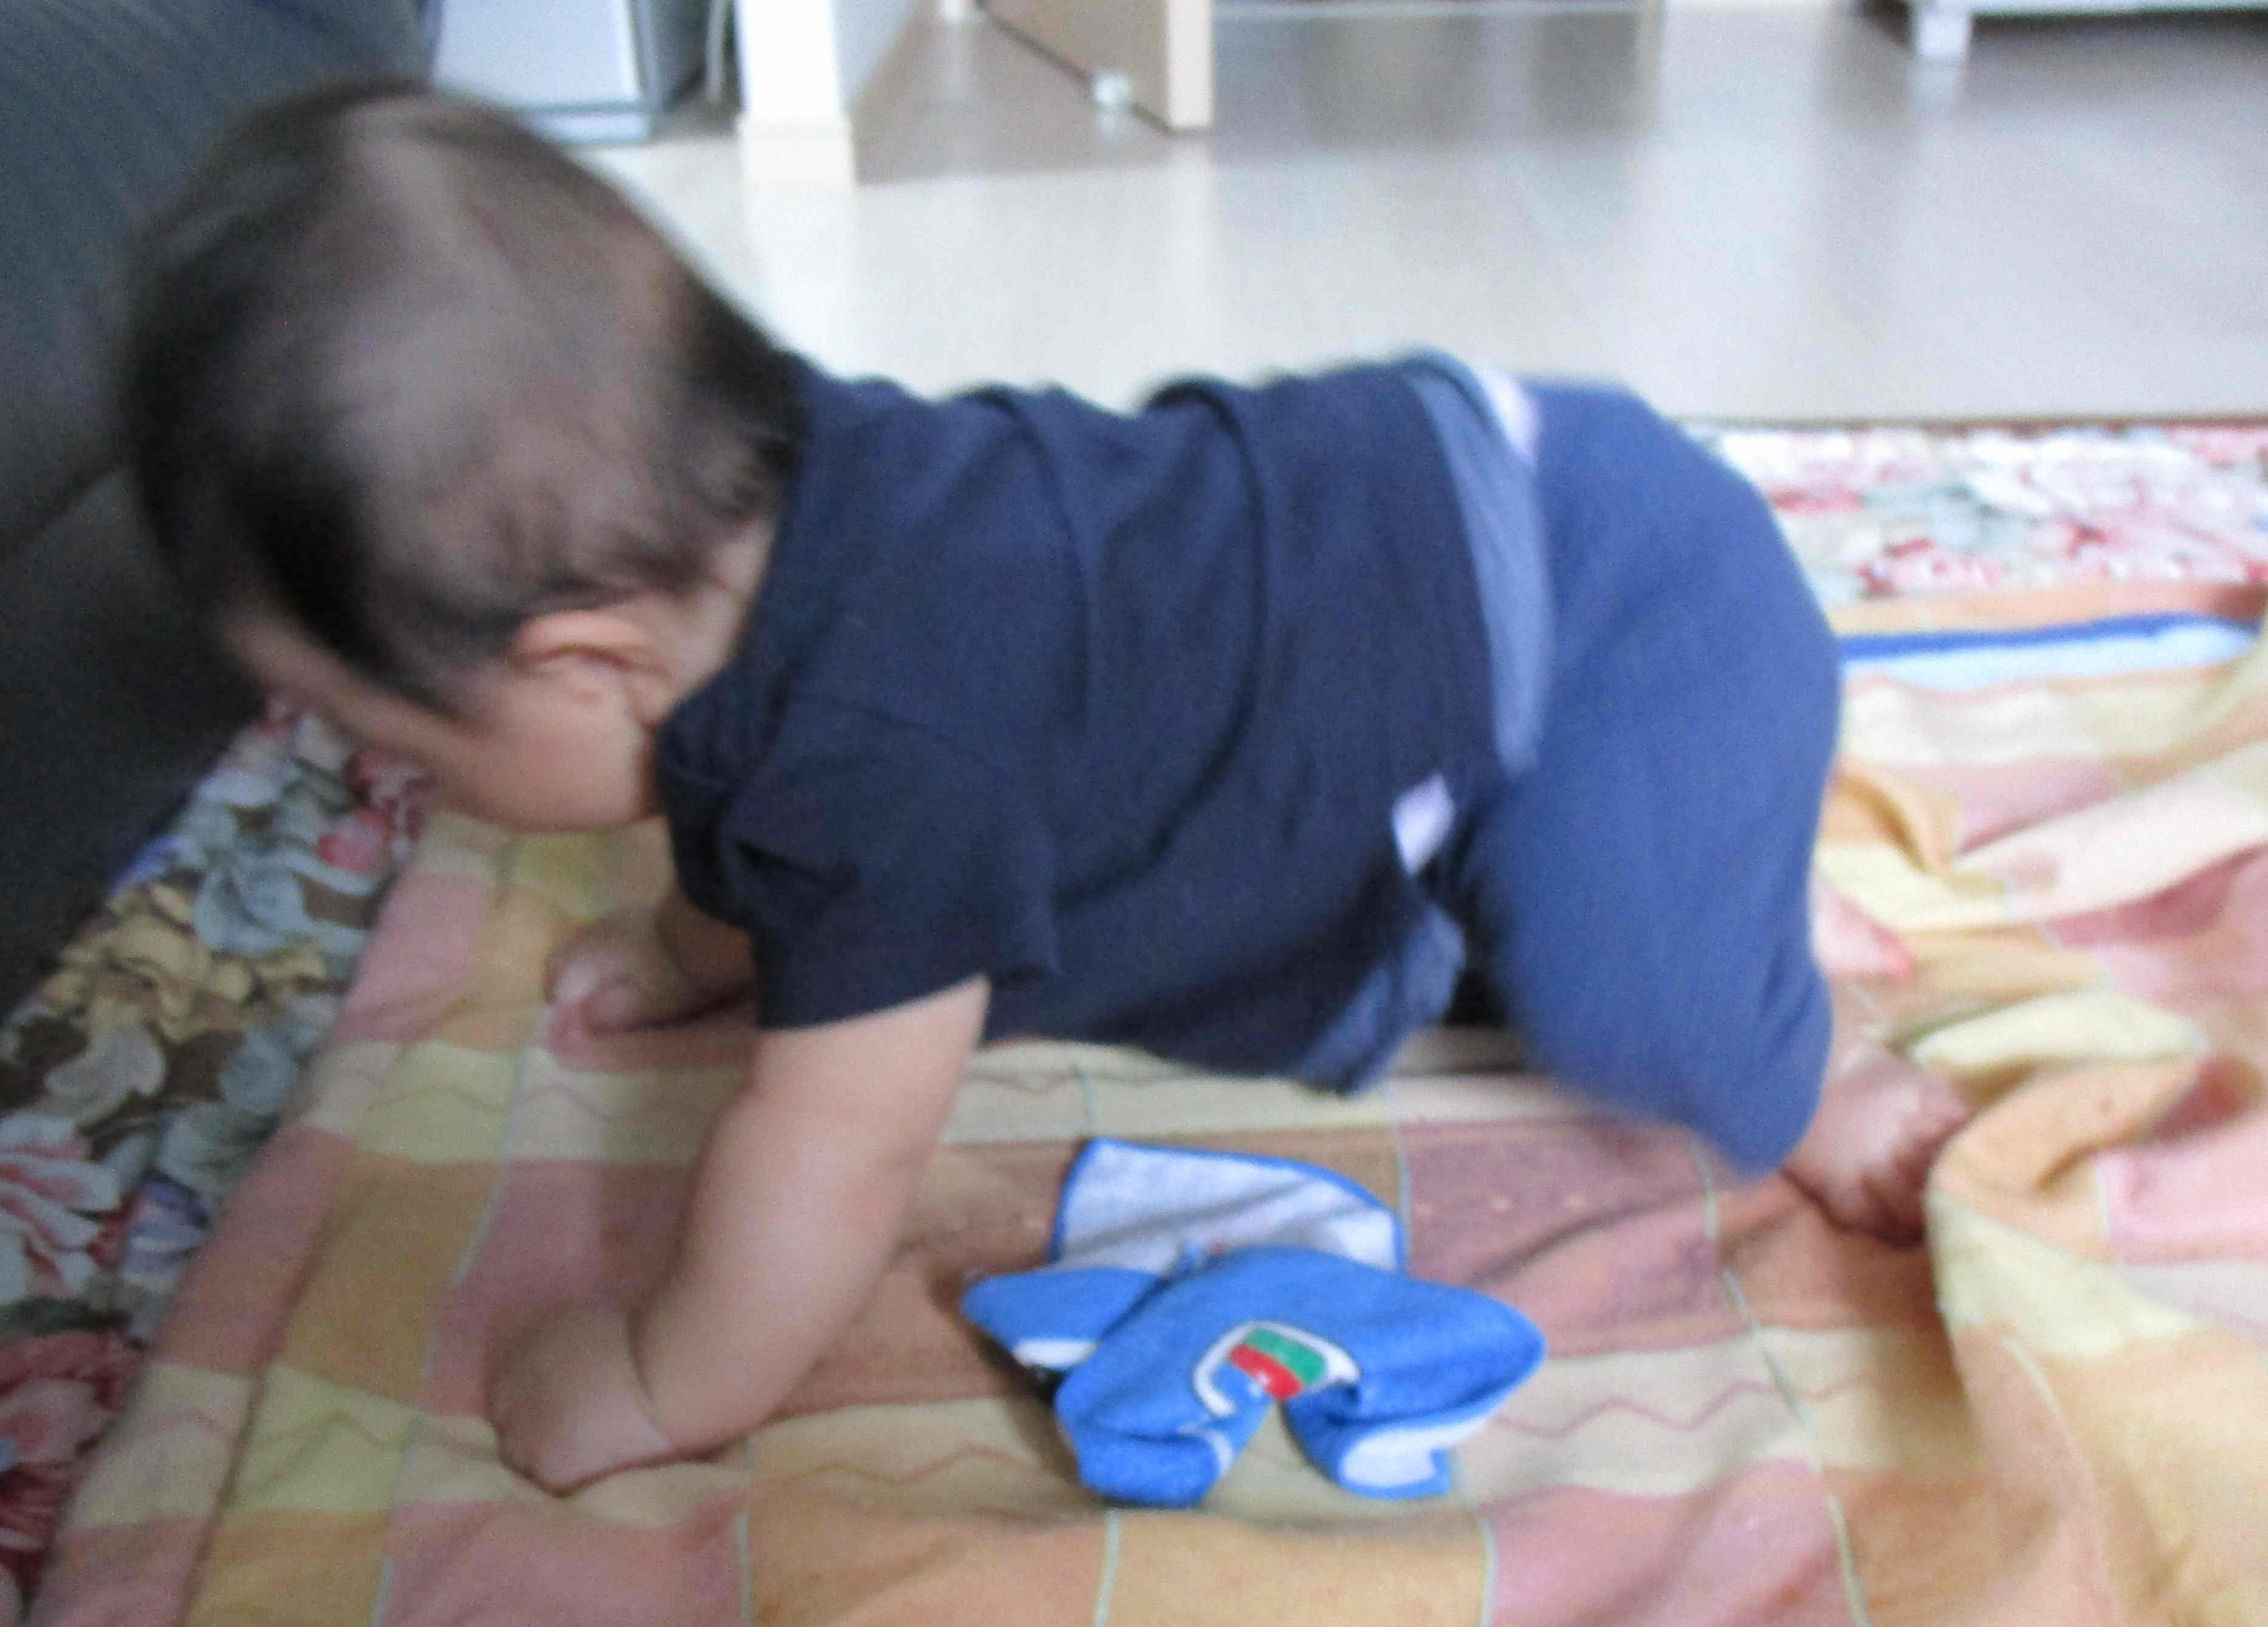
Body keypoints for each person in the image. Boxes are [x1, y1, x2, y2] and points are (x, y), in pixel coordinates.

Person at [122, 82, 1968, 1494]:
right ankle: (1673, 855)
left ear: (584, 662)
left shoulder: (881, 773)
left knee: (1632, 1005)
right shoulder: (785, 514)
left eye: (387, 735)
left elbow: (832, 1147)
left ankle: (1801, 1046)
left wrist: (665, 1378)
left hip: (1619, 625)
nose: (372, 773)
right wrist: (697, 951)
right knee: (1497, 874)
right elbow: (735, 792)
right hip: (1490, 521)